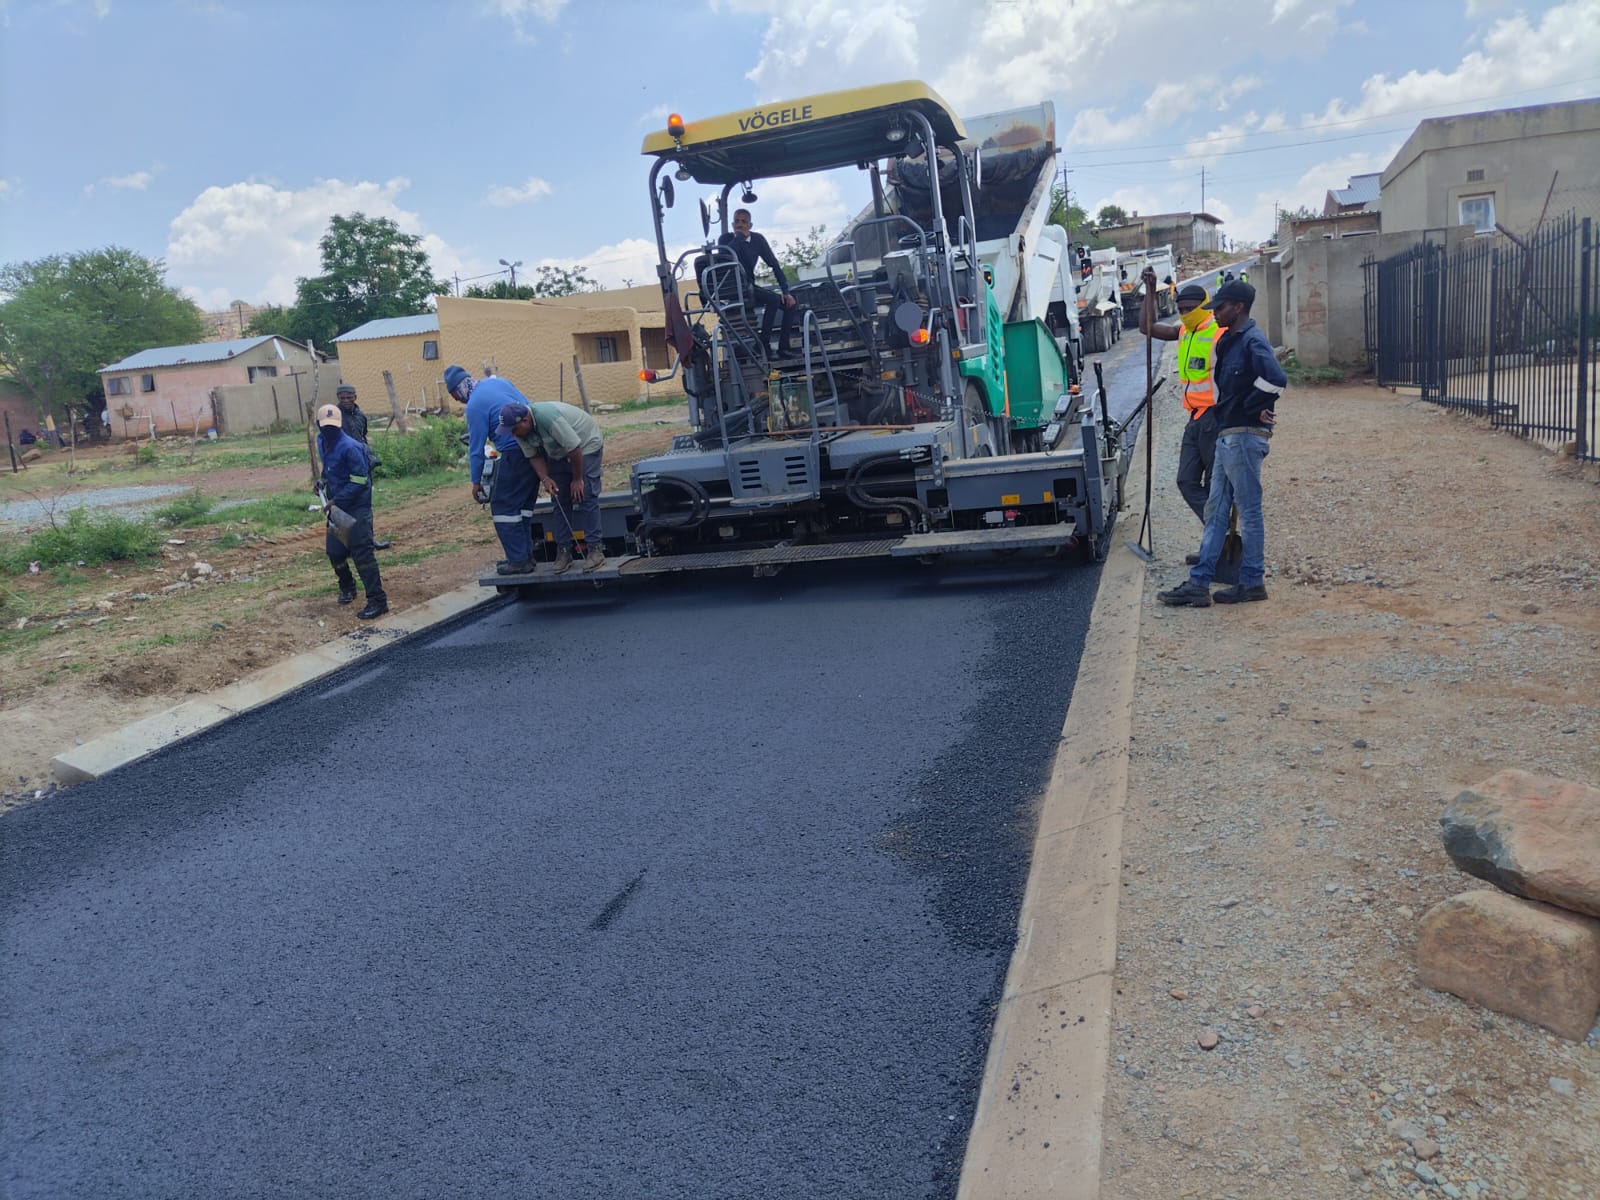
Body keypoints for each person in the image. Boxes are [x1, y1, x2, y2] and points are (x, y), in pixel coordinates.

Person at [1157, 279, 1285, 607]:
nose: (1216, 313)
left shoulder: (1251, 340)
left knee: (1249, 511)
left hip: (1243, 436)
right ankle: (1199, 583)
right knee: (1215, 510)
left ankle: (1252, 581)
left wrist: (1253, 408)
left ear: (1238, 307)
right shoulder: (1230, 340)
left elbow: (1275, 379)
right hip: (1227, 434)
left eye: (1221, 307)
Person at [1140, 271, 1220, 558]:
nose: (1185, 314)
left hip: (1216, 418)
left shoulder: (1218, 332)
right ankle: (1217, 537)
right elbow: (1147, 328)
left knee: (1215, 488)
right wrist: (1150, 291)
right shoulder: (1184, 331)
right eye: (1181, 309)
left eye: (1190, 309)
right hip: (1195, 419)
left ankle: (1216, 547)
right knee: (1186, 481)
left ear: (1205, 306)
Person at [443, 364, 538, 575]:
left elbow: (476, 449)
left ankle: (518, 561)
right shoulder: (498, 382)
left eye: (454, 395)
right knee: (523, 506)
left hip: (514, 453)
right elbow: (529, 406)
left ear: (458, 389)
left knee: (503, 507)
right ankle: (526, 556)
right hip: (535, 450)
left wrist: (476, 482)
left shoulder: (475, 405)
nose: (457, 400)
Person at [495, 399, 607, 573]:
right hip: (558, 451)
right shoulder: (520, 432)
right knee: (559, 498)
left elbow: (575, 448)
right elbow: (533, 455)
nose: (513, 434)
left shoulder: (548, 418)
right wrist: (546, 479)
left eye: (514, 429)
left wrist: (577, 479)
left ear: (525, 420)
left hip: (585, 445)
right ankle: (563, 551)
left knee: (584, 494)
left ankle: (595, 550)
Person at [315, 403, 388, 620]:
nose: (329, 430)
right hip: (338, 507)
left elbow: (359, 481)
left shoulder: (350, 447)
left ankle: (378, 601)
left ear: (339, 425)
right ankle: (347, 586)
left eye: (333, 427)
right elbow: (330, 470)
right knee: (335, 552)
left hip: (356, 507)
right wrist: (322, 482)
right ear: (319, 425)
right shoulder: (323, 443)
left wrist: (337, 500)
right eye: (325, 426)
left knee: (362, 555)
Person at [717, 208, 799, 358]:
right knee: (773, 299)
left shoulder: (757, 240)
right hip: (733, 288)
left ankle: (784, 348)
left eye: (744, 221)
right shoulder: (725, 240)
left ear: (750, 225)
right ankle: (763, 345)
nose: (740, 224)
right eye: (737, 221)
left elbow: (774, 265)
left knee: (790, 304)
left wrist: (785, 291)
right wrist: (738, 238)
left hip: (749, 286)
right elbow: (724, 257)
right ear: (732, 223)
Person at [335, 383, 391, 550]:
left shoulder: (361, 416)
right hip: (343, 469)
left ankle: (368, 540)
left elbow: (362, 438)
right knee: (343, 506)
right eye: (342, 398)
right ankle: (344, 545)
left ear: (355, 397)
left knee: (364, 506)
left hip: (361, 467)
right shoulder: (335, 417)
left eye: (349, 397)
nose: (345, 400)